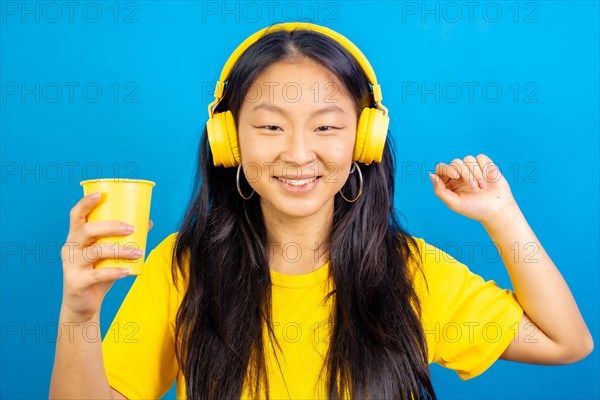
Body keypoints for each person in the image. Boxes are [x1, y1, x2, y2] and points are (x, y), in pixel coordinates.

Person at [49, 22, 593, 400]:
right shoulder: (183, 268)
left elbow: (566, 342)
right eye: (269, 126)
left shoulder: (409, 273)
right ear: (227, 141)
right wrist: (78, 313)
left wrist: (502, 215)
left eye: (327, 126)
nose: (298, 153)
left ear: (365, 140)